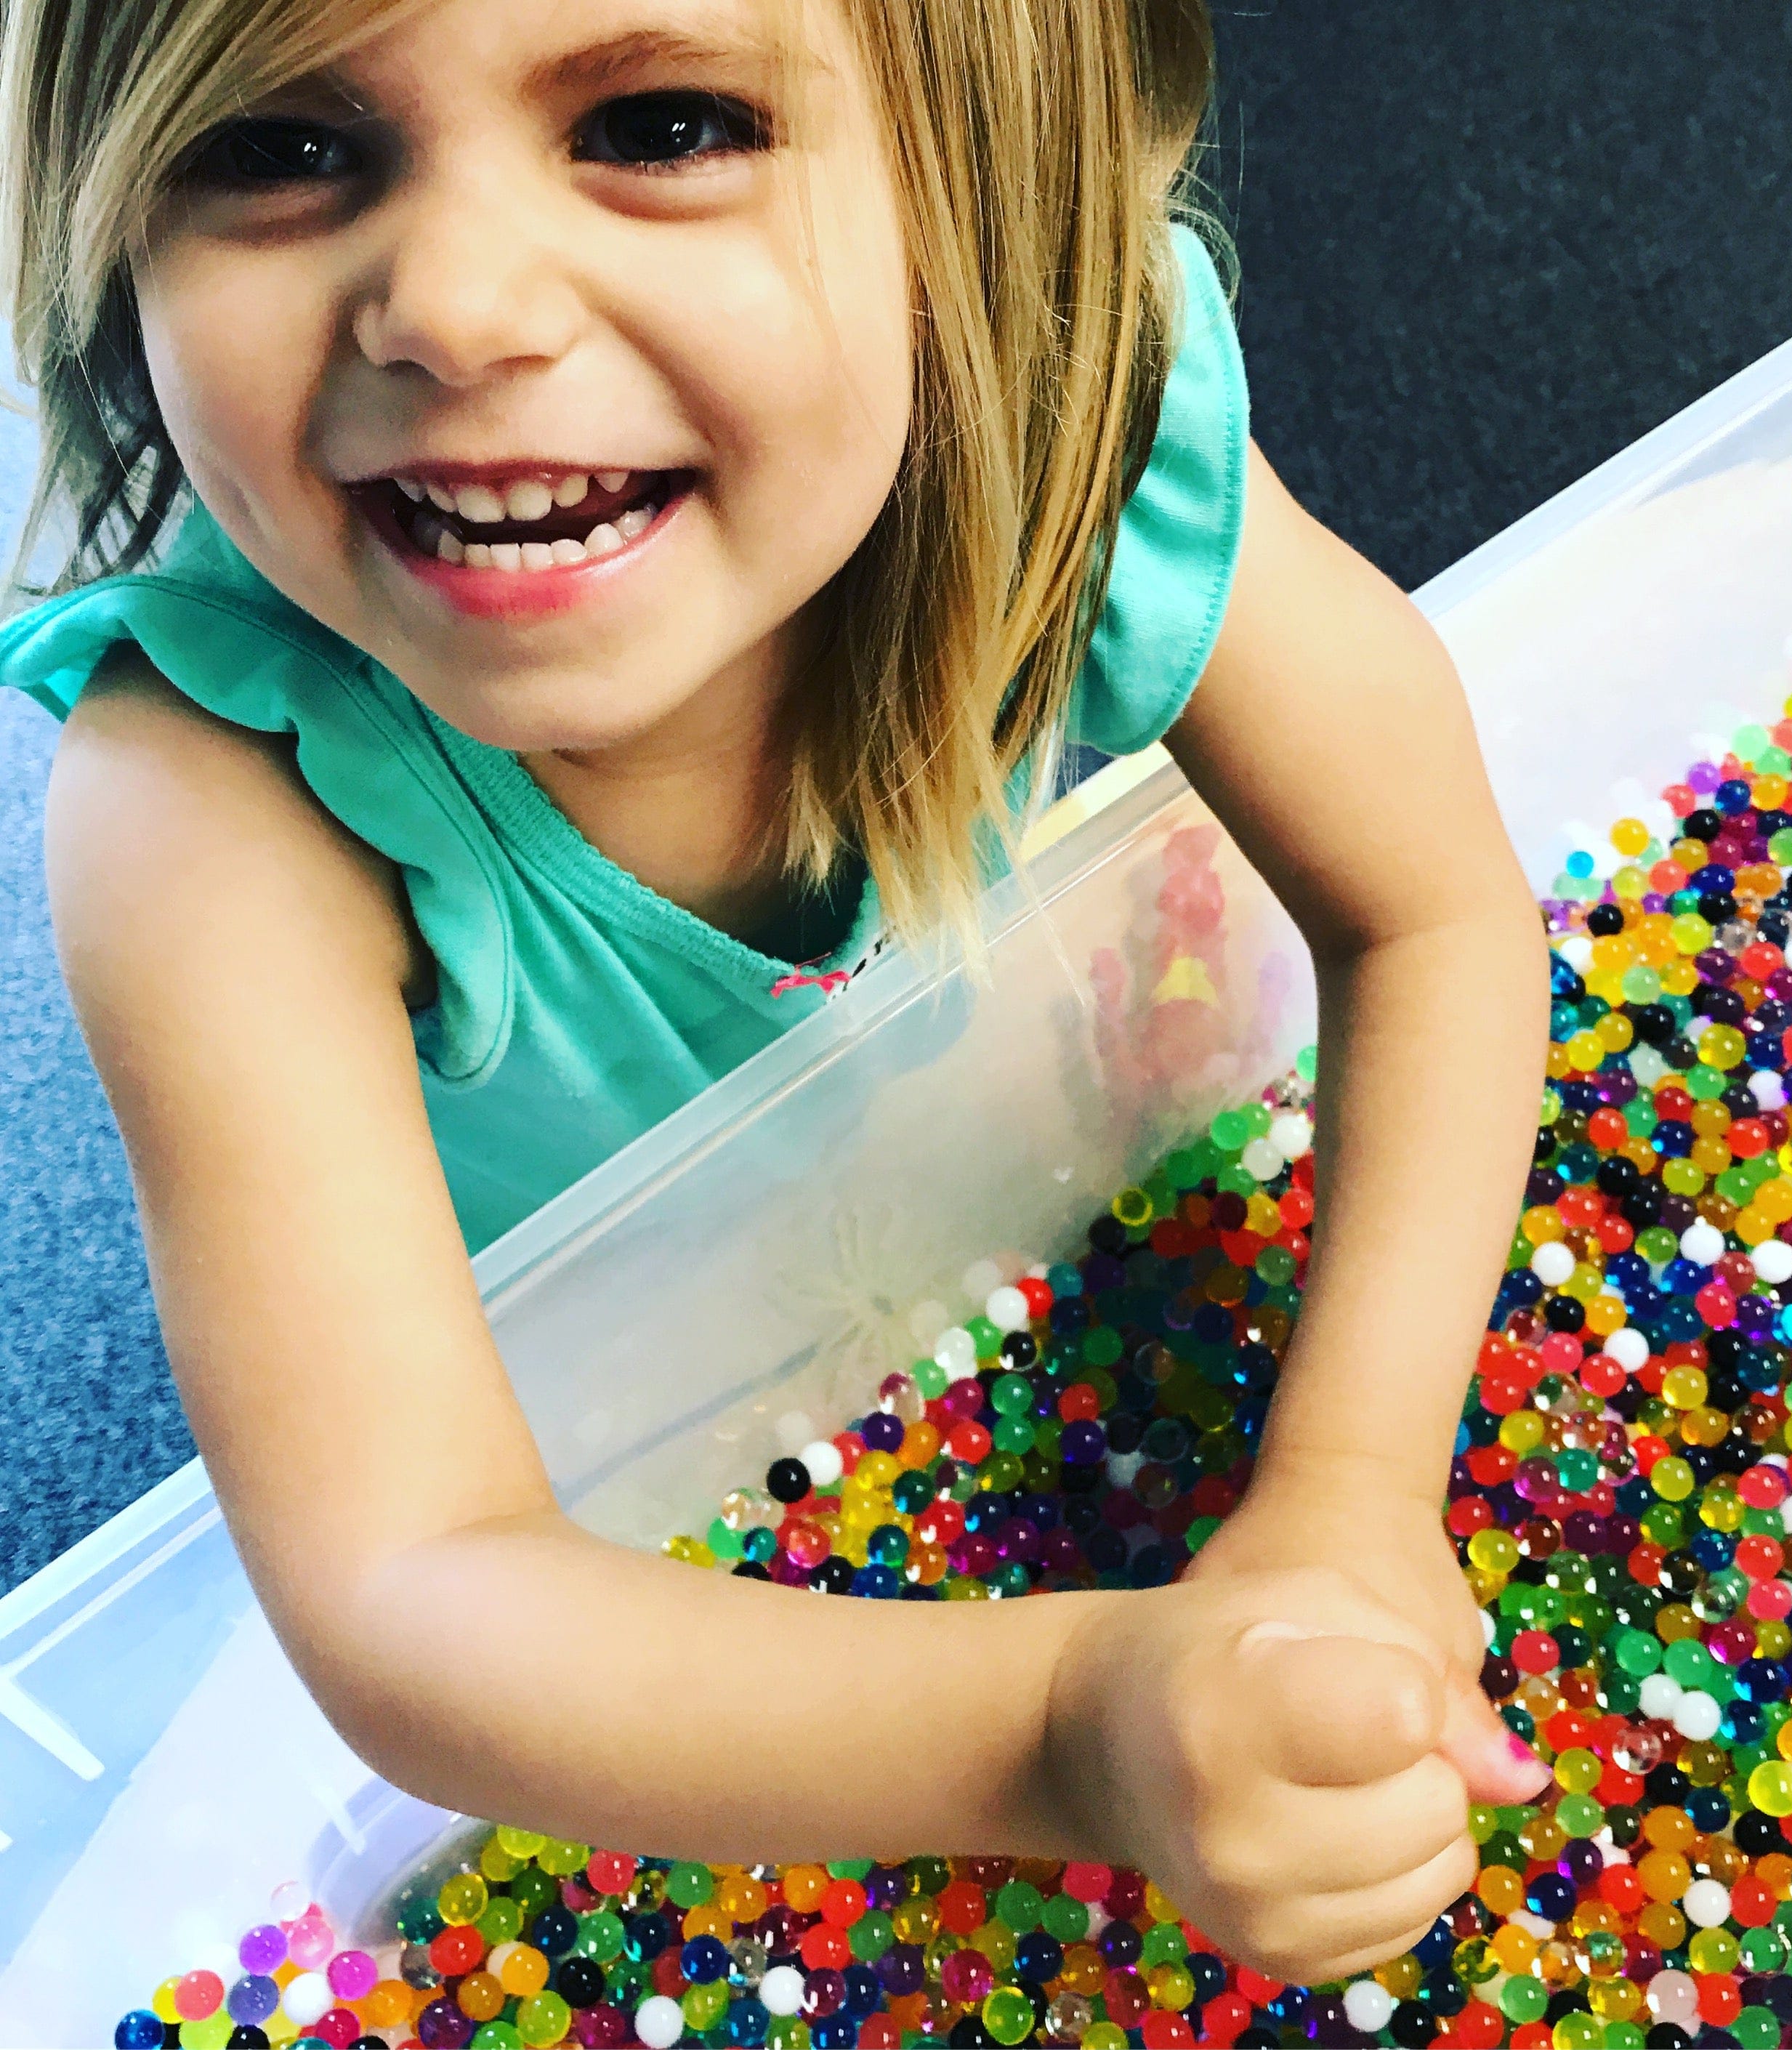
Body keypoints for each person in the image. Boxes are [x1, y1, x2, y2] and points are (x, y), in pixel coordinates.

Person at [0, 0, 1553, 1985]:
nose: (454, 310)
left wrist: (1347, 1492)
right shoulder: (217, 806)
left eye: (660, 122)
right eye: (281, 150)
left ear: (992, 212)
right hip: (617, 1444)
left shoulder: (1082, 425)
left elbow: (1428, 914)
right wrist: (1072, 1725)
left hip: (1006, 1153)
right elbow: (413, 1587)